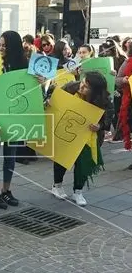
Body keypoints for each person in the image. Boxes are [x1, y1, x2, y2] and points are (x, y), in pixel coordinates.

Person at [51, 72, 113, 206]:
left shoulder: (104, 100)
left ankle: (78, 191)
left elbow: (108, 120)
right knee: (62, 159)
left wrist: (100, 125)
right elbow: (55, 100)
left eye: (86, 87)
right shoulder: (71, 87)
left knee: (83, 163)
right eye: (82, 83)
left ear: (95, 91)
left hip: (89, 137)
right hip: (67, 131)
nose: (81, 86)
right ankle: (57, 186)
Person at [0, 31, 28, 209]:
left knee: (10, 154)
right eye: (0, 45)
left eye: (4, 45)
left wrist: (39, 80)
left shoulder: (22, 64)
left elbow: (30, 87)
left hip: (14, 115)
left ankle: (6, 190)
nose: (1, 48)